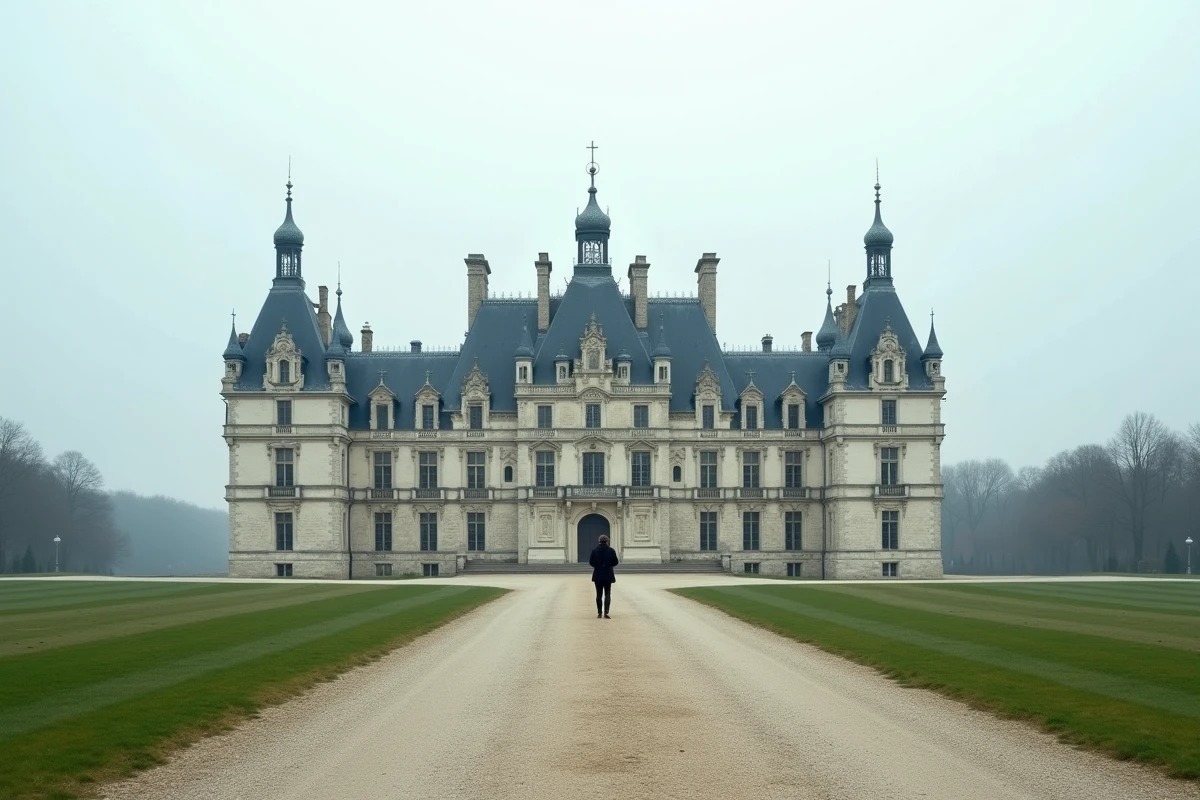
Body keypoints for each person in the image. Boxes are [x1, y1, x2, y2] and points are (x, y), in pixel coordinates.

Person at [588, 534, 619, 618]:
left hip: (598, 575)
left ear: (599, 541)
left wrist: (597, 566)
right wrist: (609, 566)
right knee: (607, 594)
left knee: (598, 594)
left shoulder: (594, 551)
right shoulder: (611, 551)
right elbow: (615, 562)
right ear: (607, 541)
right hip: (608, 574)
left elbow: (591, 562)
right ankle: (606, 612)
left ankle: (599, 613)